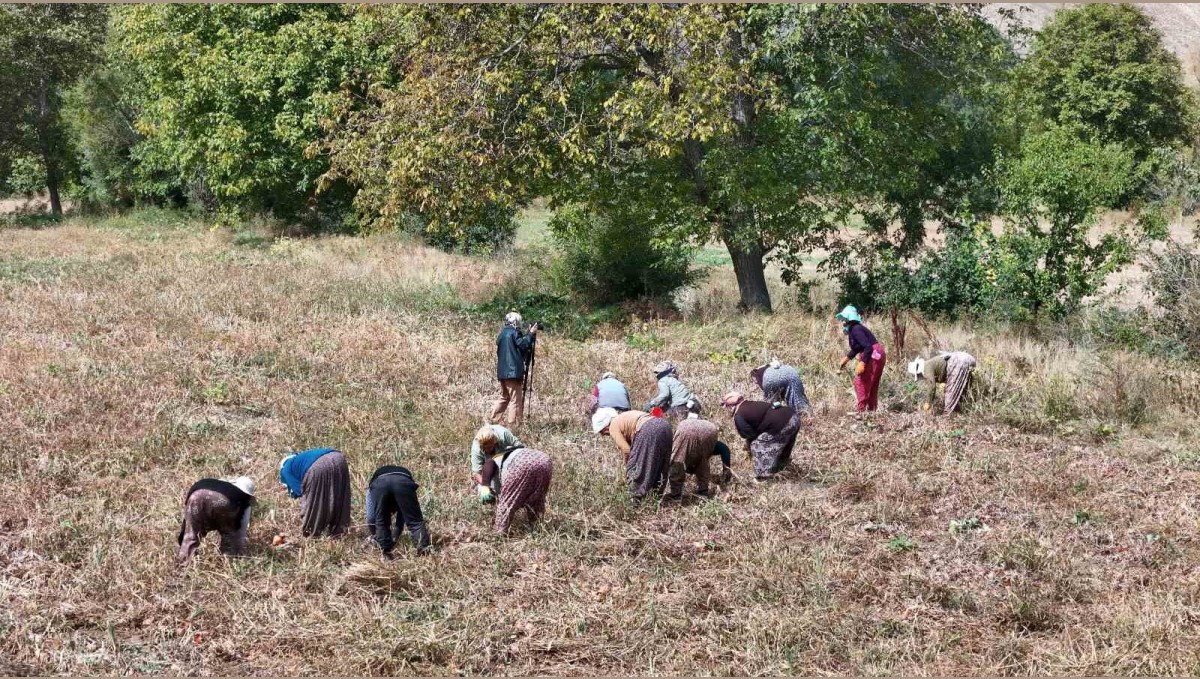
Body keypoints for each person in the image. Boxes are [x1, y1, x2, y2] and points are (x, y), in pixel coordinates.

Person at [593, 407, 673, 499]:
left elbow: (626, 450)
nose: (603, 435)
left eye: (601, 432)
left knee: (635, 467)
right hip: (665, 426)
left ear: (605, 426)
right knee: (660, 463)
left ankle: (636, 498)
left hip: (648, 429)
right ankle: (656, 496)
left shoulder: (613, 426)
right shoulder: (624, 417)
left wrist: (628, 467)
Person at [721, 392, 801, 480]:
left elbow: (748, 434)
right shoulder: (752, 404)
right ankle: (782, 468)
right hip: (793, 416)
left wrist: (750, 443)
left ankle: (763, 477)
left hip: (781, 425)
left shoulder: (739, 415)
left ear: (731, 407)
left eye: (726, 406)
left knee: (757, 445)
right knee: (783, 446)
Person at [177, 476, 255, 564]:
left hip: (195, 494)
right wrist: (240, 551)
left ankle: (182, 568)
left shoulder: (222, 483)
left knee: (191, 534)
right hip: (224, 501)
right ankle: (228, 563)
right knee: (229, 534)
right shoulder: (242, 498)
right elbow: (240, 532)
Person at [279, 447, 351, 537]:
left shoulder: (286, 469)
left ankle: (312, 535)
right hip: (339, 458)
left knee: (314, 502)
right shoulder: (301, 459)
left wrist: (305, 514)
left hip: (318, 466)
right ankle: (339, 531)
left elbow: (302, 492)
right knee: (339, 495)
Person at [365, 465, 431, 557]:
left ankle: (386, 555)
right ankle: (424, 552)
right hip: (403, 481)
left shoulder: (372, 491)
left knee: (381, 522)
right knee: (415, 522)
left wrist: (377, 537)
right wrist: (394, 537)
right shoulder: (398, 493)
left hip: (380, 484)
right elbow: (403, 518)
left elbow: (371, 518)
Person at [836, 305, 887, 412]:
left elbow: (867, 347)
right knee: (872, 384)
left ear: (849, 319)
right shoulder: (857, 328)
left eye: (843, 320)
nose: (842, 322)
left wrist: (863, 362)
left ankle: (862, 411)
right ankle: (871, 411)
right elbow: (858, 347)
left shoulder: (855, 329)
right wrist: (847, 358)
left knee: (860, 382)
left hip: (872, 354)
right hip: (878, 353)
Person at [492, 446, 554, 534]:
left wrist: (484, 486)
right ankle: (536, 530)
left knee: (507, 503)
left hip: (523, 463)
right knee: (537, 499)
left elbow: (504, 500)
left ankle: (499, 534)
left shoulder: (492, 461)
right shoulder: (510, 453)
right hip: (545, 461)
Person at [491, 311, 537, 426]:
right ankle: (514, 425)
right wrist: (531, 334)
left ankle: (494, 419)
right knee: (515, 399)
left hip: (502, 372)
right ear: (516, 322)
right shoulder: (515, 333)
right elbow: (524, 345)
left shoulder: (502, 334)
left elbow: (517, 347)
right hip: (513, 372)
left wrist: (527, 334)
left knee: (505, 396)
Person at [668, 407, 719, 499]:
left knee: (677, 460)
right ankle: (703, 492)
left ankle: (676, 495)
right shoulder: (707, 423)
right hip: (711, 430)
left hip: (686, 430)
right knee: (703, 460)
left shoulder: (684, 423)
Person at [908, 351, 978, 415]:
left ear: (918, 373)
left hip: (959, 362)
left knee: (950, 393)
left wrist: (928, 402)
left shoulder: (926, 369)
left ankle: (948, 417)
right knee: (963, 391)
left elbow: (932, 387)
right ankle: (964, 412)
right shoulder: (929, 364)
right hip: (966, 358)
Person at [470, 424, 526, 503]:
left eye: (489, 447)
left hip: (508, 460)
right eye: (484, 448)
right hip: (490, 468)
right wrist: (485, 486)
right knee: (490, 493)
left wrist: (504, 455)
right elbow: (476, 473)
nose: (487, 450)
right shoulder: (476, 448)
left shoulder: (503, 434)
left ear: (495, 442)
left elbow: (520, 447)